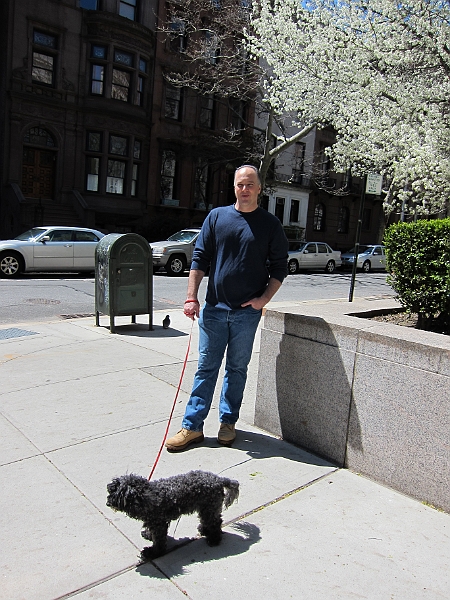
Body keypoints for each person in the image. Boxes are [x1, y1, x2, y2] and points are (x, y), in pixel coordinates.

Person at [165, 165, 289, 452]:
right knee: (206, 368)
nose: (244, 189)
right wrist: (191, 297)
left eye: (249, 184)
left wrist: (263, 301)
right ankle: (192, 427)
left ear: (259, 188)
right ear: (233, 187)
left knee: (236, 368)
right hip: (214, 311)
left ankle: (227, 422)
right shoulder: (217, 217)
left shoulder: (270, 225)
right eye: (239, 184)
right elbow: (199, 258)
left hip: (247, 314)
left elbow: (280, 267)